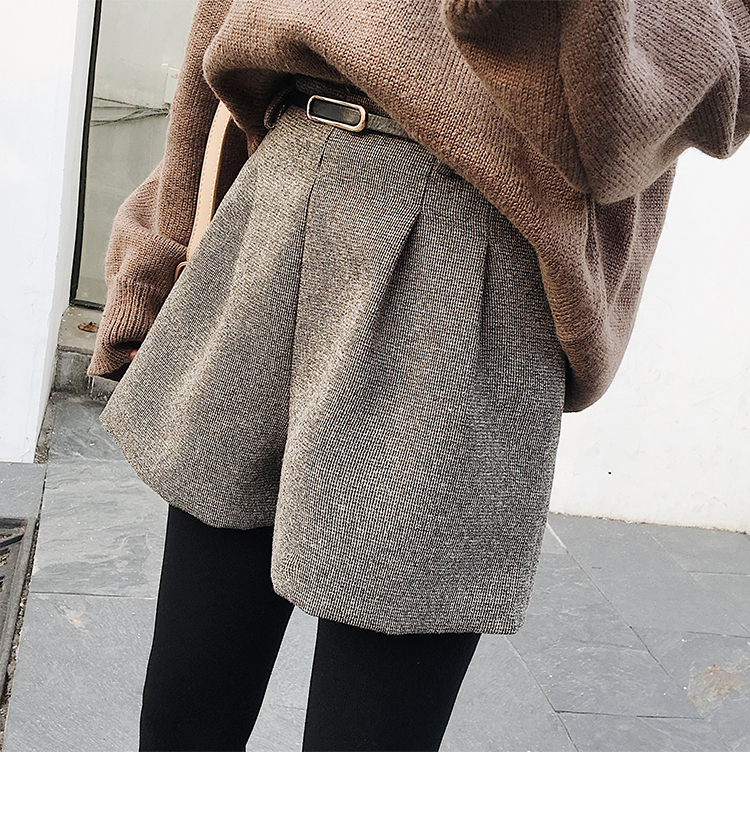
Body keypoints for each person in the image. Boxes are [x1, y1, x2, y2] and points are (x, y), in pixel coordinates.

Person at [87, 1, 750, 751]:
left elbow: (624, 126)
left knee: (367, 742)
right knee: (182, 717)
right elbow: (219, 36)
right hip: (280, 190)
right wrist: (158, 254)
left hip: (468, 245)